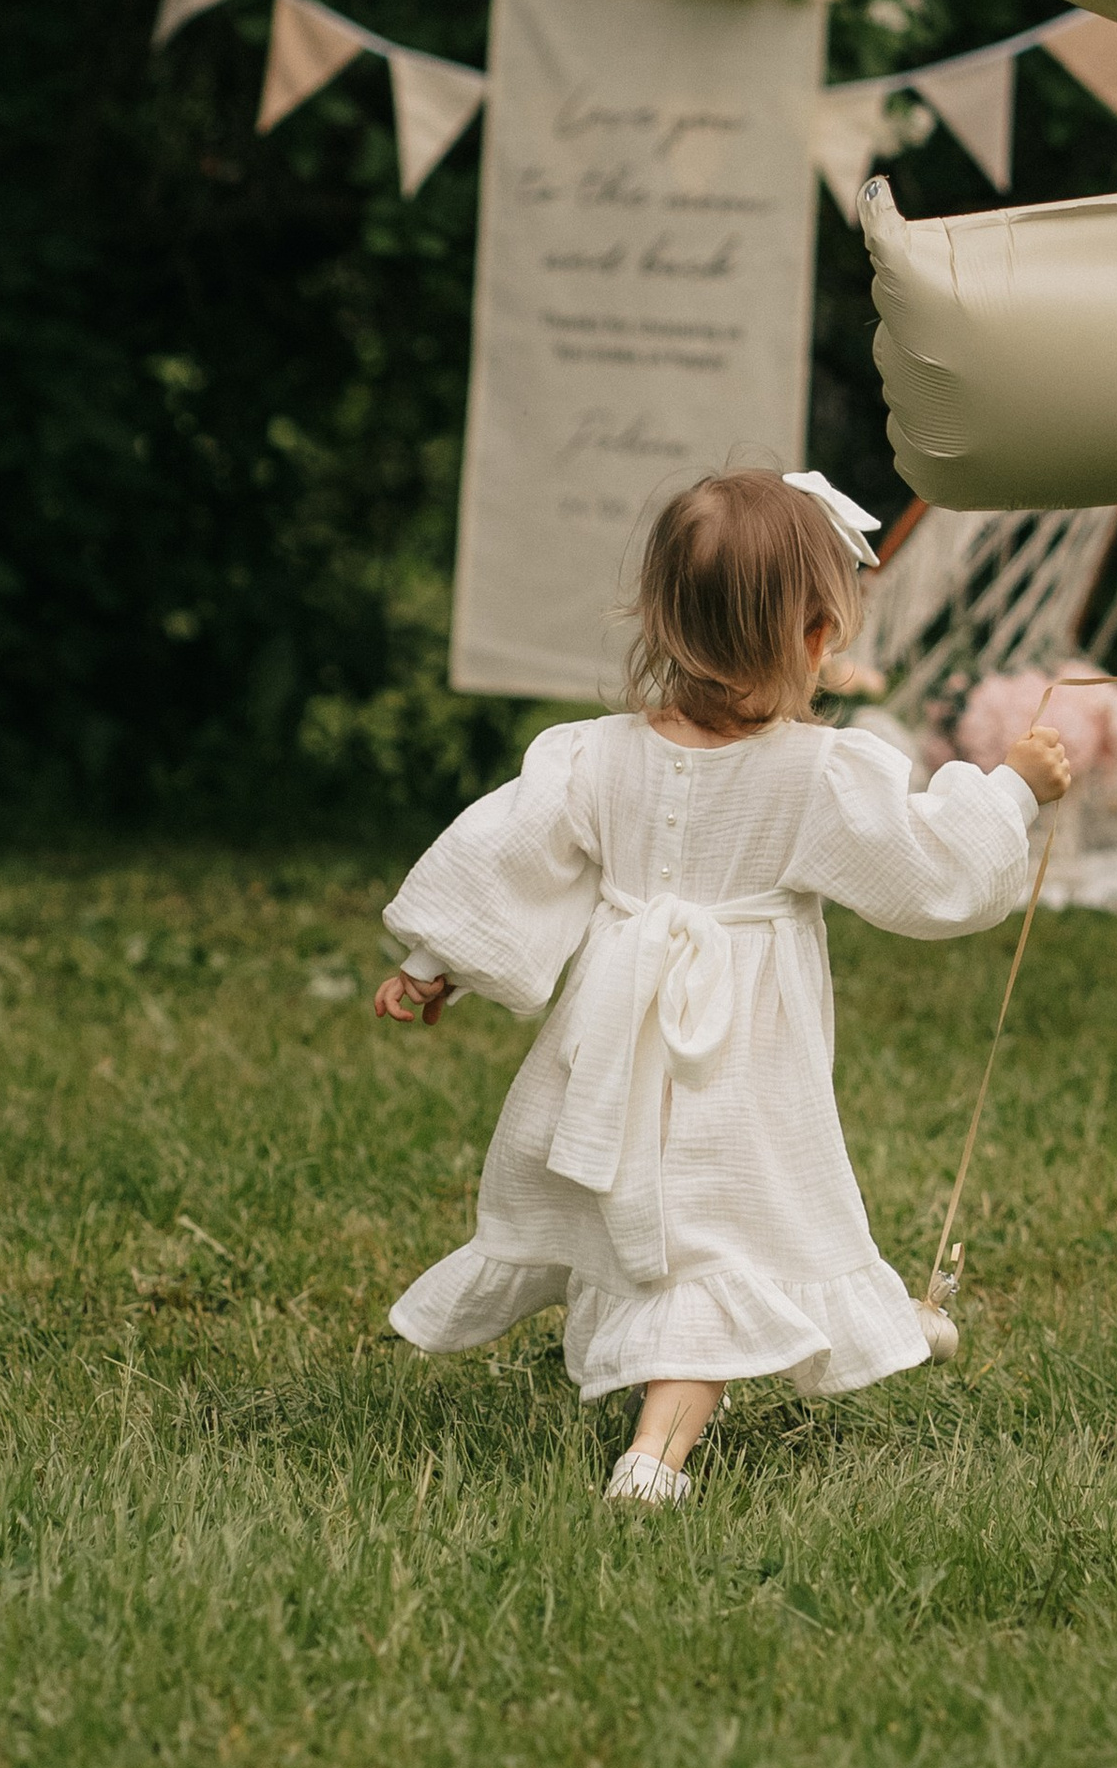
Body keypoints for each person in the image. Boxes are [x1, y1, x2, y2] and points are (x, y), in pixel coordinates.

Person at [373, 469, 1071, 1505]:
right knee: (721, 1231)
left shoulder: (593, 757)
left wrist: (436, 963)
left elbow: (513, 855)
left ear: (659, 617)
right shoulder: (818, 773)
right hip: (739, 1059)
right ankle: (654, 1459)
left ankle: (654, 1402)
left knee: (658, 1212)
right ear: (818, 635)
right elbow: (931, 867)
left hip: (610, 1043)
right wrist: (1014, 787)